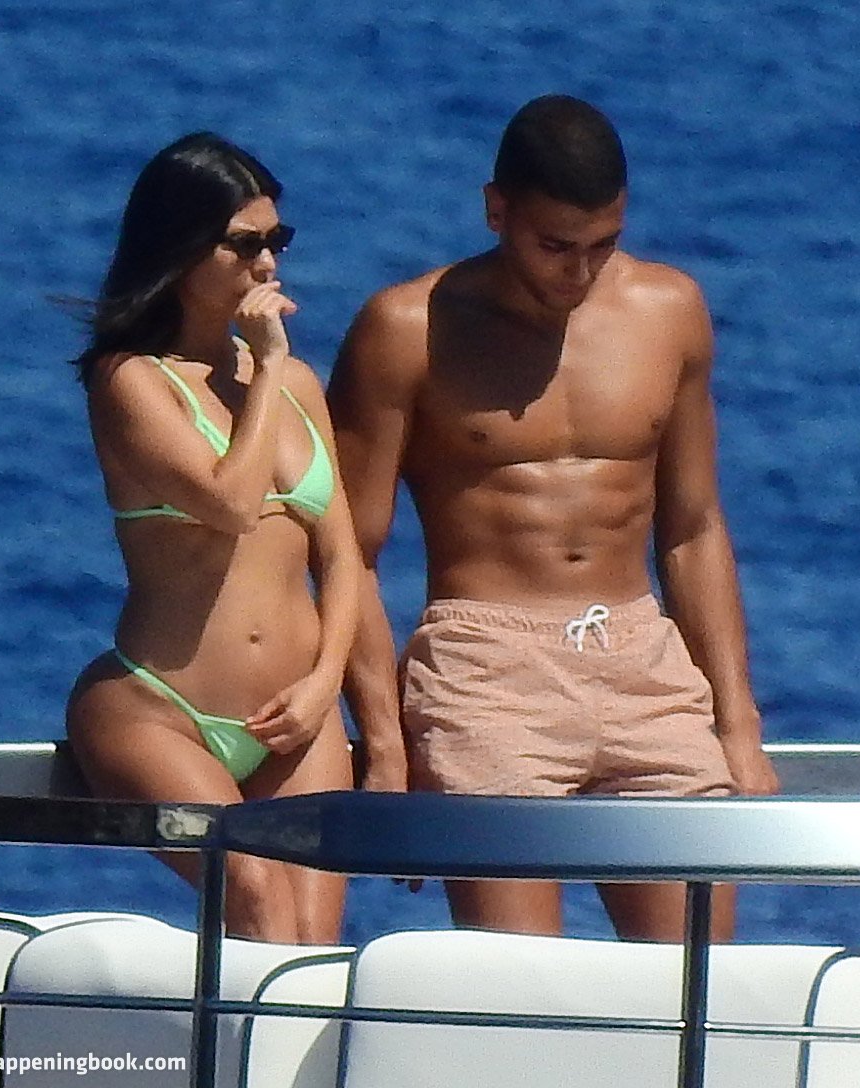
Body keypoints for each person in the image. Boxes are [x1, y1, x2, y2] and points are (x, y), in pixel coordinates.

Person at [327, 94, 778, 941]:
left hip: (643, 659)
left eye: (602, 245)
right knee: (520, 989)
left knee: (697, 982)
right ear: (496, 210)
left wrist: (737, 723)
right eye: (555, 246)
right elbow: (347, 549)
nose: (579, 272)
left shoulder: (669, 311)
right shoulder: (406, 330)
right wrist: (383, 742)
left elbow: (692, 528)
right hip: (486, 667)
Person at [66, 132, 360, 944]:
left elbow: (341, 557)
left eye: (276, 241)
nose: (266, 264)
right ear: (181, 248)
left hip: (294, 713)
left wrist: (325, 684)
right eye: (243, 245)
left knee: (311, 943)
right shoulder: (130, 379)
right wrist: (263, 369)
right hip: (162, 707)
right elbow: (231, 502)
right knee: (255, 896)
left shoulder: (299, 385)